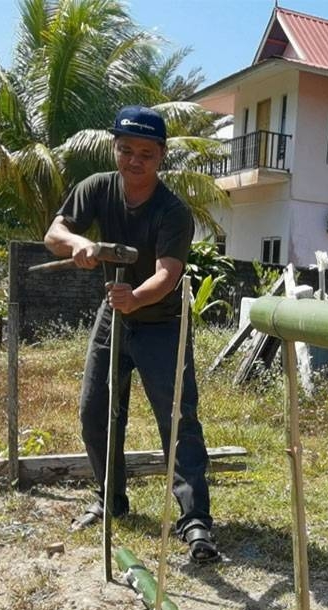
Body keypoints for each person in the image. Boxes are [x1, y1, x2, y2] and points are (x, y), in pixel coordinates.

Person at [44, 105, 218, 562]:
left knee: (177, 419)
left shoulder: (173, 212)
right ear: (114, 149)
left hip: (161, 323)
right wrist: (79, 244)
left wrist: (135, 298)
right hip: (113, 318)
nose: (134, 161)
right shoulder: (97, 189)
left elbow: (168, 275)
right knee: (95, 410)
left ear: (161, 155)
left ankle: (195, 520)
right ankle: (110, 501)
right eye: (126, 150)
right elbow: (54, 233)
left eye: (145, 152)